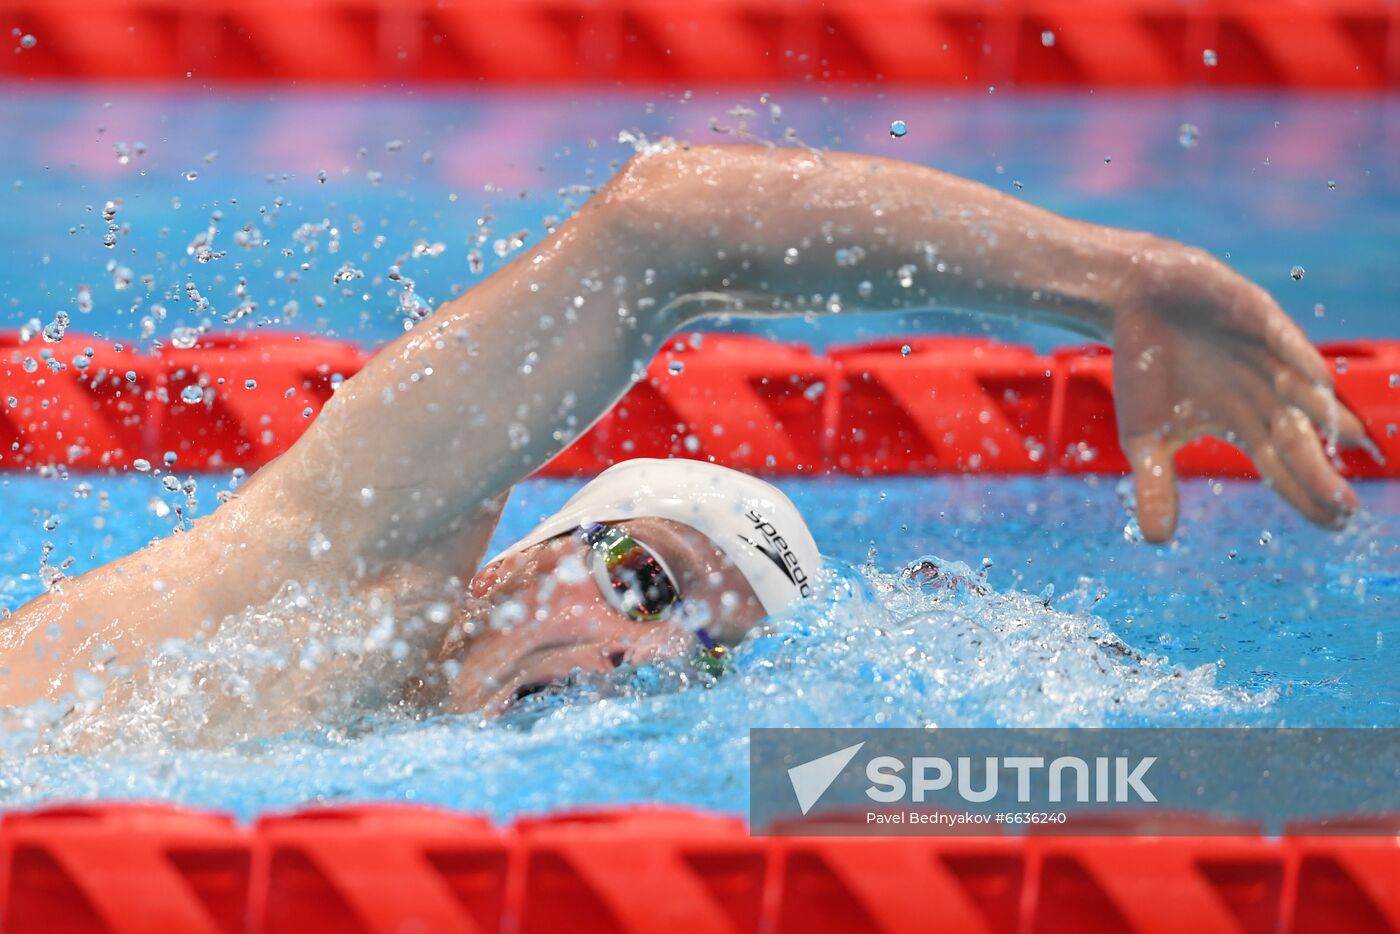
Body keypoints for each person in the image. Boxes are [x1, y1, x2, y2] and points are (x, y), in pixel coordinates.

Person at [0, 142, 1366, 723]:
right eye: (642, 578)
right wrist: (1104, 276)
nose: (636, 658)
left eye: (697, 657)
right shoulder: (346, 579)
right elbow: (660, 226)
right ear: (525, 551)